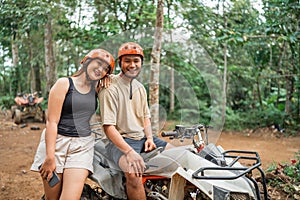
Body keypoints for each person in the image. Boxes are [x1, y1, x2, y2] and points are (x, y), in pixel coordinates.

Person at [31, 48, 115, 200]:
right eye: (98, 63)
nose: (100, 69)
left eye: (105, 69)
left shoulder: (96, 88)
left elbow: (122, 80)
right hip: (56, 144)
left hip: (82, 146)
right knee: (52, 197)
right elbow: (51, 122)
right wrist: (50, 157)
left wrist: (110, 77)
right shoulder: (64, 83)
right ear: (86, 61)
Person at [99, 42, 174, 200]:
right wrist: (130, 152)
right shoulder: (109, 87)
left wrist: (149, 138)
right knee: (133, 173)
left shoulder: (140, 88)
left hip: (141, 138)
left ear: (141, 63)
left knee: (177, 155)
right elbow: (108, 127)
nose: (132, 65)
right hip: (118, 142)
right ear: (120, 63)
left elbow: (145, 118)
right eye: (127, 61)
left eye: (136, 61)